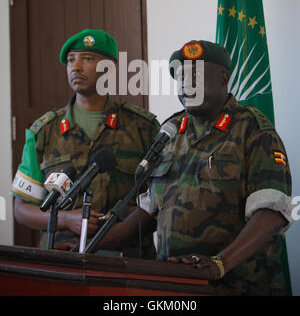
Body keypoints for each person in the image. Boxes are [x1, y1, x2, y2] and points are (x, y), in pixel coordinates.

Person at [93, 40, 293, 296]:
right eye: (180, 78)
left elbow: (271, 213)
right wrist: (89, 245)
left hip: (239, 286)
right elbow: (149, 210)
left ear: (223, 78)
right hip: (175, 285)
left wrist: (219, 264)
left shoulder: (253, 130)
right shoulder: (170, 132)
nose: (186, 84)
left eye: (195, 76)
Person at [11, 29, 160, 257]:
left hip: (128, 261)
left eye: (87, 59)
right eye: (71, 60)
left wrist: (117, 230)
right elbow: (21, 209)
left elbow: (159, 200)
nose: (75, 67)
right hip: (62, 260)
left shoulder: (143, 128)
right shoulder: (44, 131)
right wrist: (66, 219)